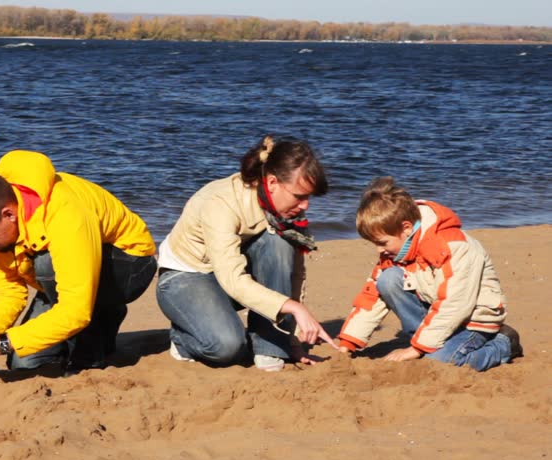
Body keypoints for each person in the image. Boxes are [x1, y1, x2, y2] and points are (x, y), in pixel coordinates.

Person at [0, 150, 157, 373]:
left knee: (47, 265)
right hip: (63, 276)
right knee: (24, 363)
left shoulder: (65, 215)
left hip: (130, 264)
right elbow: (6, 292)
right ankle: (92, 324)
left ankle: (97, 333)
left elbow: (76, 310)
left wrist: (4, 343)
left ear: (8, 214)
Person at [155, 134, 337, 372]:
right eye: (299, 196)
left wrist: (292, 340)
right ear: (272, 183)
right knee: (227, 347)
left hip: (228, 274)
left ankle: (271, 348)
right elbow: (233, 280)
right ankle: (183, 339)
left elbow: (293, 273)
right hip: (184, 277)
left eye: (308, 197)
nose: (305, 206)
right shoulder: (221, 203)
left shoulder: (284, 212)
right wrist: (294, 308)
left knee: (279, 243)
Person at [336, 177, 522, 371]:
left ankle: (503, 345)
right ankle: (425, 340)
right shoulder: (397, 249)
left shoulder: (453, 246)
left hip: (473, 319)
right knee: (387, 279)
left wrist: (415, 350)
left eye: (382, 243)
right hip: (438, 312)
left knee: (441, 363)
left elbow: (455, 305)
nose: (378, 250)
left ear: (406, 228)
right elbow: (371, 297)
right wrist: (347, 344)